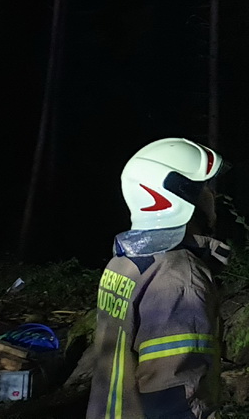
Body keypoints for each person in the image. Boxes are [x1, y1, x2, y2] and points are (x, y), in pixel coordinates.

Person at [88, 138, 228, 419]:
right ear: (180, 196)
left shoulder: (125, 263)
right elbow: (174, 394)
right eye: (203, 188)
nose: (212, 196)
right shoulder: (180, 278)